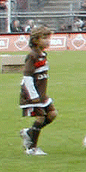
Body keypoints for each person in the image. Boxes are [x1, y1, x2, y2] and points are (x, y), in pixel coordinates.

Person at [18, 26, 55, 155]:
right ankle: (32, 148)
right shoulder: (32, 56)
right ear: (36, 40)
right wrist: (33, 96)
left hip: (41, 94)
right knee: (40, 118)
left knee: (52, 114)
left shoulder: (43, 54)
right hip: (32, 94)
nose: (48, 41)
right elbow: (27, 77)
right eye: (44, 38)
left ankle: (29, 132)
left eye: (48, 38)